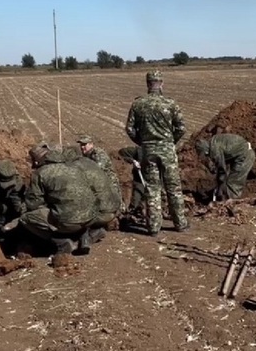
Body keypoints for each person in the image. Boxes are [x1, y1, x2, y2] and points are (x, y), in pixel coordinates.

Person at [20, 143, 116, 255]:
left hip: (69, 222)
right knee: (74, 209)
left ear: (36, 161)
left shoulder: (40, 173)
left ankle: (61, 242)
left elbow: (33, 204)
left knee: (26, 218)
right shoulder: (73, 166)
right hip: (91, 217)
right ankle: (84, 236)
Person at [125, 70, 189, 235]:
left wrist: (142, 142)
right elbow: (182, 128)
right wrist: (170, 141)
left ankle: (153, 227)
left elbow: (130, 129)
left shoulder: (138, 104)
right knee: (173, 187)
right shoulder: (170, 103)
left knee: (152, 188)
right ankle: (180, 224)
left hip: (148, 150)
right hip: (167, 150)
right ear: (161, 83)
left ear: (147, 84)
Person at [195, 133, 255, 200]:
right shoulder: (214, 141)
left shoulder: (214, 150)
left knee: (233, 183)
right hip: (240, 154)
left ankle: (231, 202)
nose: (207, 156)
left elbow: (221, 169)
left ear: (205, 150)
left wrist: (220, 184)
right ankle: (226, 198)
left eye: (206, 154)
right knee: (229, 179)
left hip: (245, 156)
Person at [75, 135, 123, 207]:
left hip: (109, 182)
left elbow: (98, 170)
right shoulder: (85, 156)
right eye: (81, 145)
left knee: (116, 205)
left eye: (84, 144)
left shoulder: (98, 153)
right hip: (97, 183)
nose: (82, 147)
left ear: (91, 144)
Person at [118, 145, 146, 216]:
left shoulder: (161, 151)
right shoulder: (139, 150)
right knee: (137, 196)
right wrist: (133, 161)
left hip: (155, 179)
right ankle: (132, 213)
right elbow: (122, 152)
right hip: (140, 178)